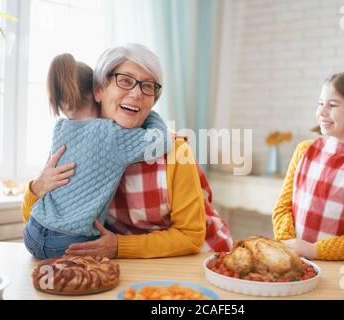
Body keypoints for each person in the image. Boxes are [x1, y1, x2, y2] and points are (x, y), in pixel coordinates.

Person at [22, 44, 233, 259]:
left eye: (148, 86)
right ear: (99, 90)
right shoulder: (78, 141)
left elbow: (190, 236)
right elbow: (39, 220)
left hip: (197, 261)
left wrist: (118, 247)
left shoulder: (176, 151)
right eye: (124, 81)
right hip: (129, 265)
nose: (136, 94)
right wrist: (37, 187)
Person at [23, 53, 171, 259]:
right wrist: (147, 110)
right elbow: (161, 141)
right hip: (69, 243)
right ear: (97, 92)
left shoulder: (60, 129)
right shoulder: (111, 134)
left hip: (32, 233)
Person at [273, 70, 344, 261]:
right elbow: (282, 208)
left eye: (332, 105)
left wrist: (315, 250)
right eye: (320, 103)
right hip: (296, 261)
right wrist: (291, 246)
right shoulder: (304, 150)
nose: (321, 111)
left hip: (340, 270)